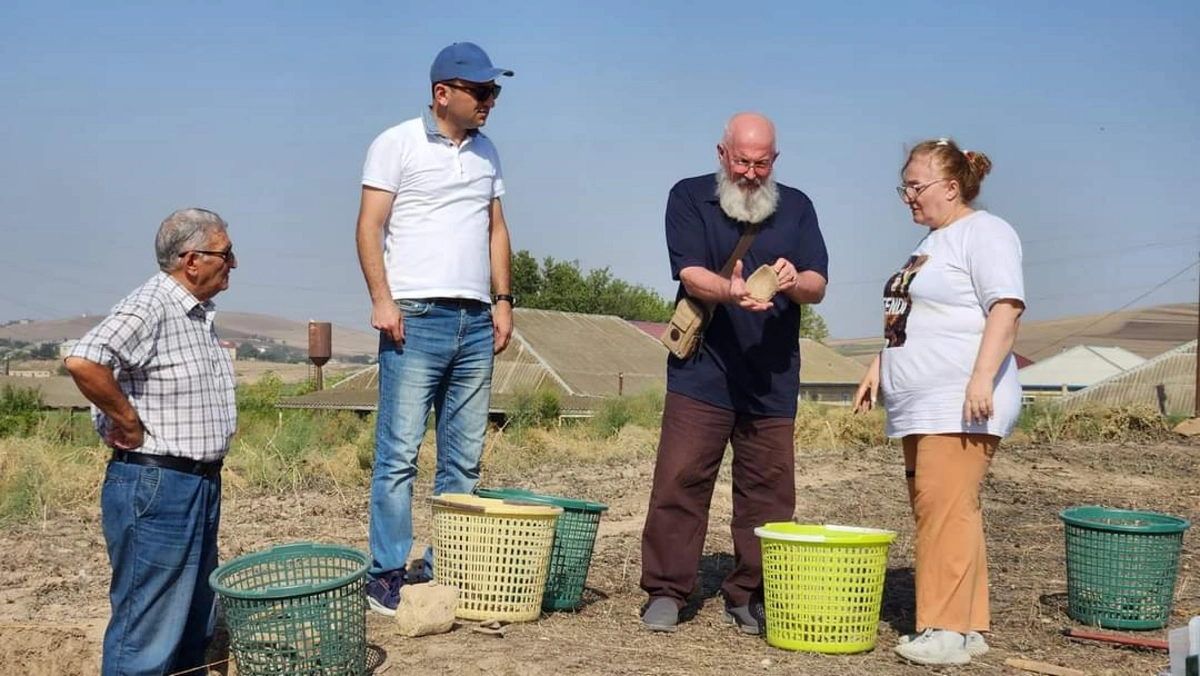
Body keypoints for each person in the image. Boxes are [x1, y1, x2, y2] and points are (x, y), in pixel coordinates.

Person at [640, 112, 829, 634]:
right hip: (703, 370)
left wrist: (792, 280)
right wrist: (731, 291)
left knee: (769, 493)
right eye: (742, 161)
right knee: (680, 480)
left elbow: (817, 284)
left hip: (771, 376)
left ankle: (751, 593)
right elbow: (689, 274)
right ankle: (666, 590)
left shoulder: (798, 207)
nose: (750, 173)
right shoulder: (688, 197)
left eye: (761, 163)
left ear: (775, 160)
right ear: (722, 154)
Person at [355, 41, 515, 616]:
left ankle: (448, 565)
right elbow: (369, 226)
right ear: (442, 93)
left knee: (464, 458)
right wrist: (382, 299)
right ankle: (386, 574)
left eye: (494, 91)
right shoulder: (396, 143)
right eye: (481, 91)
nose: (490, 100)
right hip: (415, 317)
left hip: (475, 321)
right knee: (399, 453)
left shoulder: (487, 151)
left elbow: (496, 230)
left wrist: (503, 301)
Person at [853, 138, 1025, 666]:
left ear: (951, 188)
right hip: (922, 404)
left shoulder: (985, 232)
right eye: (903, 186)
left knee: (942, 510)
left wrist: (981, 377)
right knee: (950, 510)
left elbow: (1006, 308)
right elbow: (912, 317)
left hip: (959, 402)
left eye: (915, 185)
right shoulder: (931, 243)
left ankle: (944, 629)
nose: (907, 195)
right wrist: (879, 365)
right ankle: (968, 626)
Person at [64, 208, 237, 676]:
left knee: (191, 622)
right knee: (148, 631)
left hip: (196, 484)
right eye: (226, 253)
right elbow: (84, 360)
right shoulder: (152, 305)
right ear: (192, 260)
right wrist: (126, 419)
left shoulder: (194, 313)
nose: (234, 263)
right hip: (157, 485)